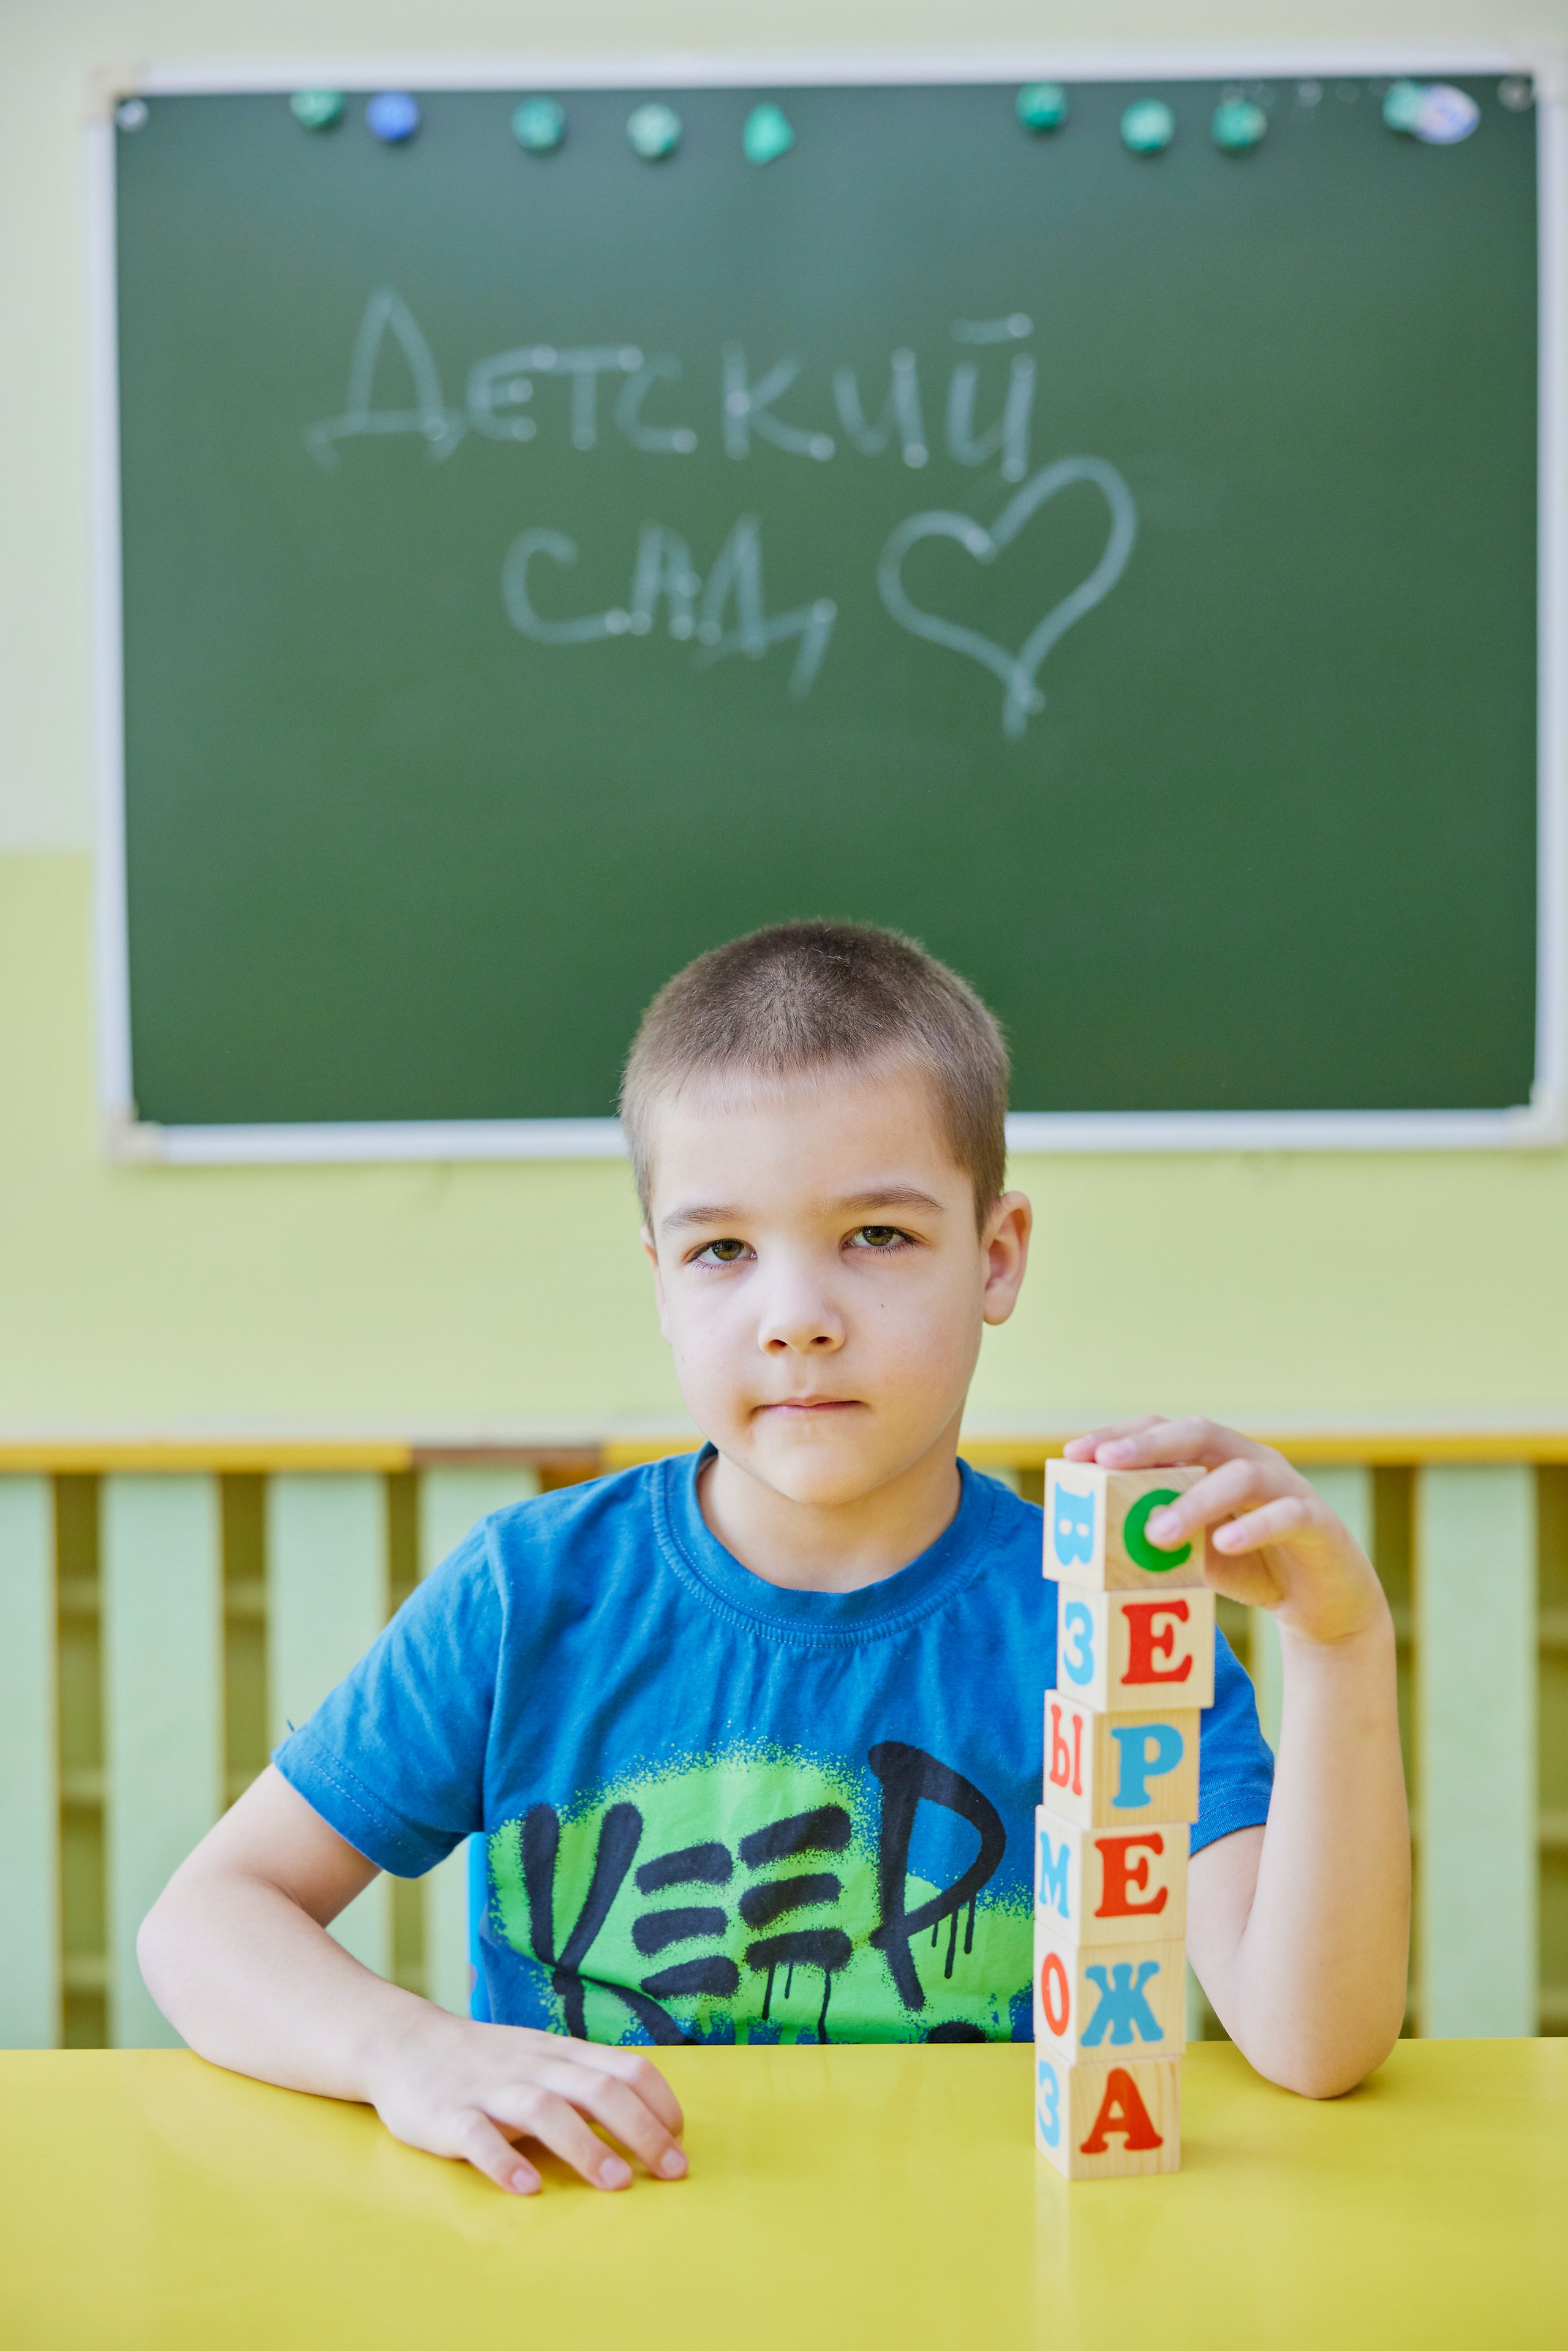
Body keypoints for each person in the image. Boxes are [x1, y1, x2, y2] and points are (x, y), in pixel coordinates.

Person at [139, 922, 1410, 2198]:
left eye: (876, 1235)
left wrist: (1338, 1646)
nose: (795, 1314)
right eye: (720, 1250)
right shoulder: (528, 1593)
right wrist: (403, 2048)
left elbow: (1311, 2043)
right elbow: (206, 1920)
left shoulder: (1101, 1619)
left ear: (998, 1253)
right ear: (659, 1282)